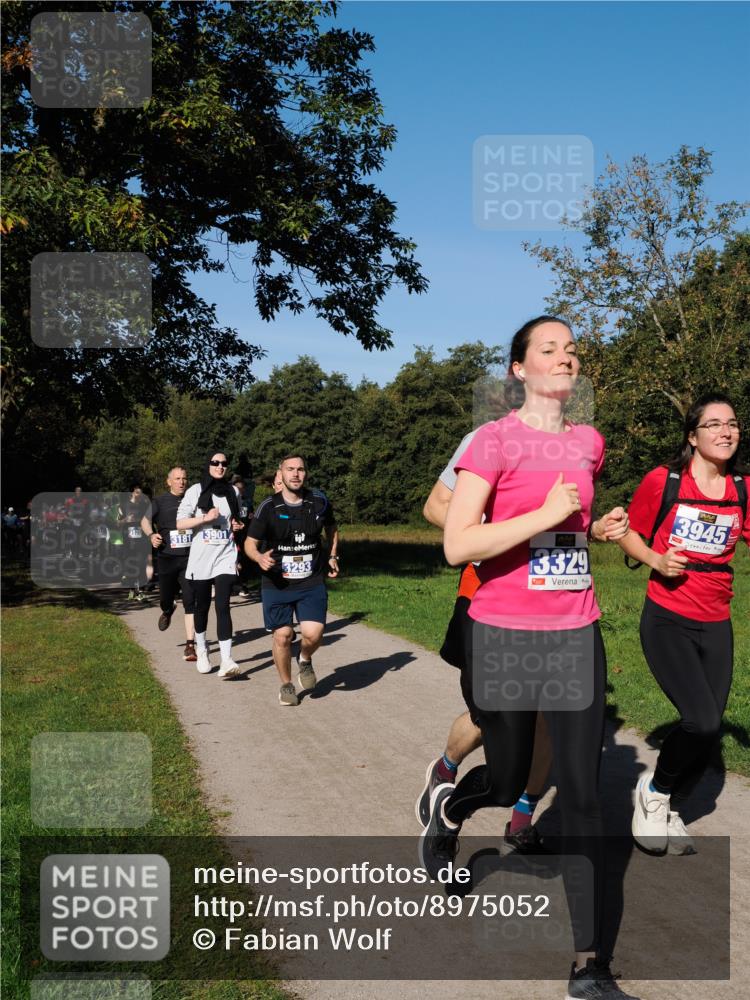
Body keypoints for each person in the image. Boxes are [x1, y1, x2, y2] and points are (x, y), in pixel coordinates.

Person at [422, 316, 635, 1000]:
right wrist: (545, 514)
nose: (565, 356)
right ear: (520, 369)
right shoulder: (494, 440)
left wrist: (591, 529)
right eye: (549, 349)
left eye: (572, 349)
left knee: (580, 793)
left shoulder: (589, 442)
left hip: (575, 629)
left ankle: (588, 963)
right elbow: (459, 544)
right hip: (502, 632)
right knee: (508, 773)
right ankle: (453, 811)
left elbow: (562, 539)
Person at [617, 392, 748, 856]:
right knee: (703, 720)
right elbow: (626, 532)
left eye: (731, 423)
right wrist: (656, 558)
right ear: (692, 437)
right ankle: (653, 793)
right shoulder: (664, 481)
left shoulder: (743, 491)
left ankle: (667, 800)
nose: (725, 431)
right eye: (712, 425)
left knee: (707, 731)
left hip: (717, 621)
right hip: (668, 617)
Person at [420, 431, 554, 852]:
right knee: (489, 719)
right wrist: (499, 537)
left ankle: (521, 820)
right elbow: (436, 506)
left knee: (548, 716)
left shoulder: (577, 444)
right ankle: (446, 770)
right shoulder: (489, 437)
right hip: (486, 597)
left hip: (550, 602)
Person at [245, 454, 339, 706]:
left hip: (310, 580)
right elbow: (249, 544)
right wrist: (258, 558)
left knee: (314, 633)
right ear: (281, 474)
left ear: (305, 473)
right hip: (277, 582)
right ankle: (286, 684)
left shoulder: (318, 501)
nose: (295, 474)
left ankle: (305, 658)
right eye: (290, 469)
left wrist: (332, 555)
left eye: (300, 469)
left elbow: (331, 527)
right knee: (283, 635)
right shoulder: (268, 507)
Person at [176, 451, 244, 677]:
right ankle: (203, 650)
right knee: (202, 606)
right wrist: (204, 518)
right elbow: (180, 523)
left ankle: (226, 660)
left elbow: (235, 518)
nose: (220, 466)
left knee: (223, 604)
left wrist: (235, 525)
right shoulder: (195, 491)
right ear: (208, 465)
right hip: (201, 557)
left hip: (225, 556)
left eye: (224, 463)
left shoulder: (233, 492)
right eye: (215, 463)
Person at [143, 467, 198, 662]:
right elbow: (144, 520)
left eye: (184, 478)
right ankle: (168, 609)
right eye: (177, 479)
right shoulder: (159, 501)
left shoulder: (194, 499)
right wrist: (151, 535)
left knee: (191, 600)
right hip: (166, 557)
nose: (182, 482)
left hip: (189, 558)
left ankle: (190, 645)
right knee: (166, 597)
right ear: (169, 482)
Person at [117, 485, 150, 599]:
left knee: (141, 563)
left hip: (141, 539)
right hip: (128, 540)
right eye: (136, 493)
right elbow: (118, 523)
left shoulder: (144, 506)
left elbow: (148, 521)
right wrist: (126, 520)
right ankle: (131, 589)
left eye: (140, 493)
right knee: (130, 564)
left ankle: (140, 590)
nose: (138, 495)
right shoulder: (124, 505)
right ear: (132, 493)